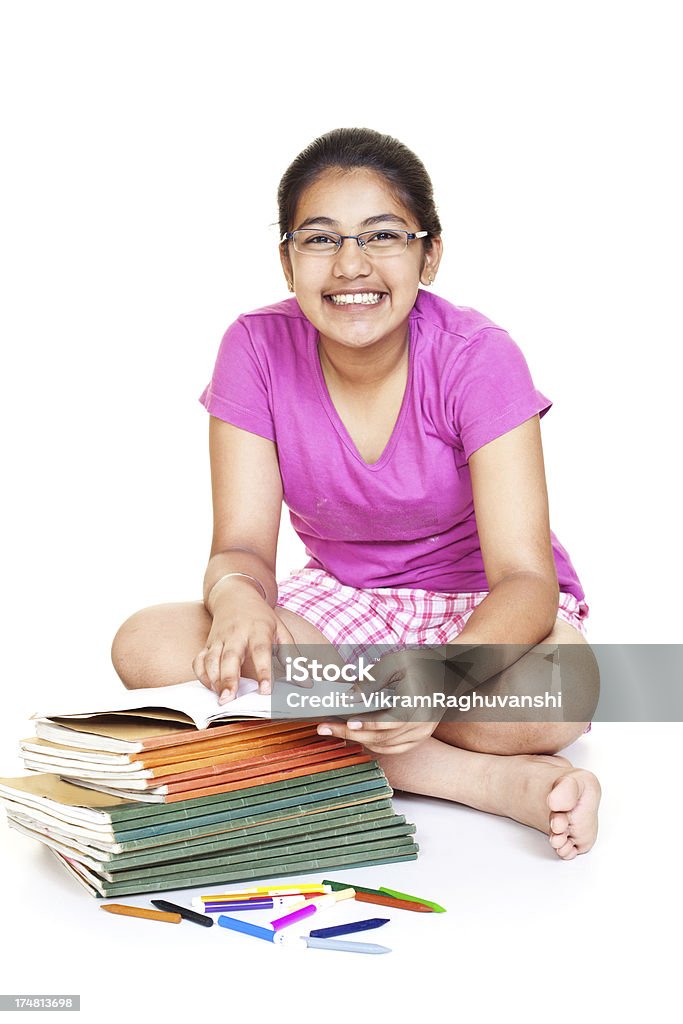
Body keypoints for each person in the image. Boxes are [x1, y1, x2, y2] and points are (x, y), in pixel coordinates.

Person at [111, 127, 601, 860]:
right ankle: (483, 782)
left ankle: (375, 741)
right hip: (346, 607)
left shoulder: (477, 357)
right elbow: (240, 548)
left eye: (382, 236)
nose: (351, 266)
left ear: (428, 253)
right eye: (319, 240)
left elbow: (523, 579)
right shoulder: (253, 348)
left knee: (553, 696)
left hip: (484, 610)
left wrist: (433, 684)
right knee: (150, 648)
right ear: (286, 260)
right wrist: (240, 597)